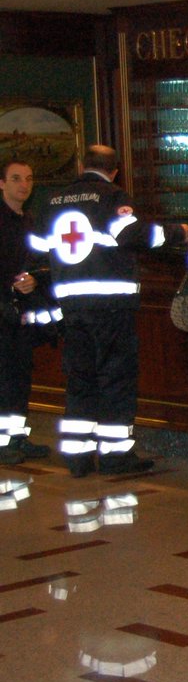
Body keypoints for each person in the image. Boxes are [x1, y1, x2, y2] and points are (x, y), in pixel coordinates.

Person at [29, 145, 176, 476]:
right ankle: (114, 455)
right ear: (115, 170)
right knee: (115, 378)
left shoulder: (52, 201)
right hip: (109, 305)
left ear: (82, 165)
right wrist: (178, 232)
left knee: (79, 378)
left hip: (70, 304)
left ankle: (78, 457)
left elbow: (38, 247)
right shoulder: (112, 197)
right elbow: (138, 236)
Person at [0, 160, 49, 465]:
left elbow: (39, 262)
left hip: (21, 312)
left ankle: (17, 436)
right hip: (2, 308)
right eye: (16, 179)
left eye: (29, 179)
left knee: (19, 376)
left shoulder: (29, 221)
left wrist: (35, 279)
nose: (23, 185)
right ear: (2, 183)